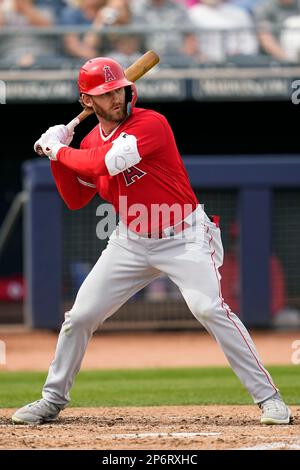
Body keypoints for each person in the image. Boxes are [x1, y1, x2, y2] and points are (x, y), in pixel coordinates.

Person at [12, 57, 292, 425]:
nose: (116, 97)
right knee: (79, 317)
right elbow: (76, 198)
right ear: (87, 101)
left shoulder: (150, 123)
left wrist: (58, 150)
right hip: (130, 240)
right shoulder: (91, 141)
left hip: (185, 236)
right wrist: (58, 160)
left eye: (118, 89)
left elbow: (106, 164)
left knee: (209, 308)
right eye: (105, 93)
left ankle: (269, 398)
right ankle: (51, 399)